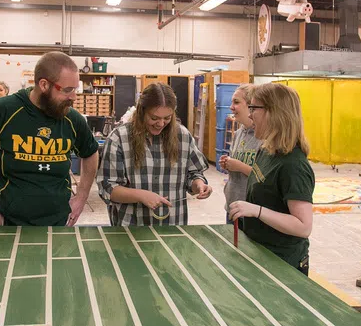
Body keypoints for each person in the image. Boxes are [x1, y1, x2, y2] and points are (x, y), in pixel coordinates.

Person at [0, 51, 99, 226]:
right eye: (68, 90)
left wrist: (81, 198)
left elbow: (91, 152)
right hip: (7, 224)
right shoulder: (2, 111)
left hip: (59, 223)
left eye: (75, 89)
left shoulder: (71, 118)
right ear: (44, 84)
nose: (74, 97)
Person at [229, 83, 315, 276]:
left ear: (274, 112)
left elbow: (303, 226)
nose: (249, 115)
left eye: (254, 108)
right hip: (260, 252)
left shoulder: (293, 165)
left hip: (282, 263)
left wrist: (256, 211)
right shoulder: (266, 150)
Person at [98, 83, 212, 226]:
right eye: (154, 118)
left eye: (167, 118)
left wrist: (199, 185)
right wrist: (141, 195)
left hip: (173, 225)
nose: (160, 123)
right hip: (131, 227)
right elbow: (107, 187)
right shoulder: (119, 138)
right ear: (141, 111)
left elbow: (194, 174)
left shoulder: (182, 136)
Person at [219, 84, 261, 224]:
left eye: (236, 102)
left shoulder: (263, 137)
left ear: (251, 106)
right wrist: (229, 164)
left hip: (251, 210)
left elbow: (267, 178)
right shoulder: (238, 134)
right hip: (232, 207)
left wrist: (239, 166)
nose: (231, 107)